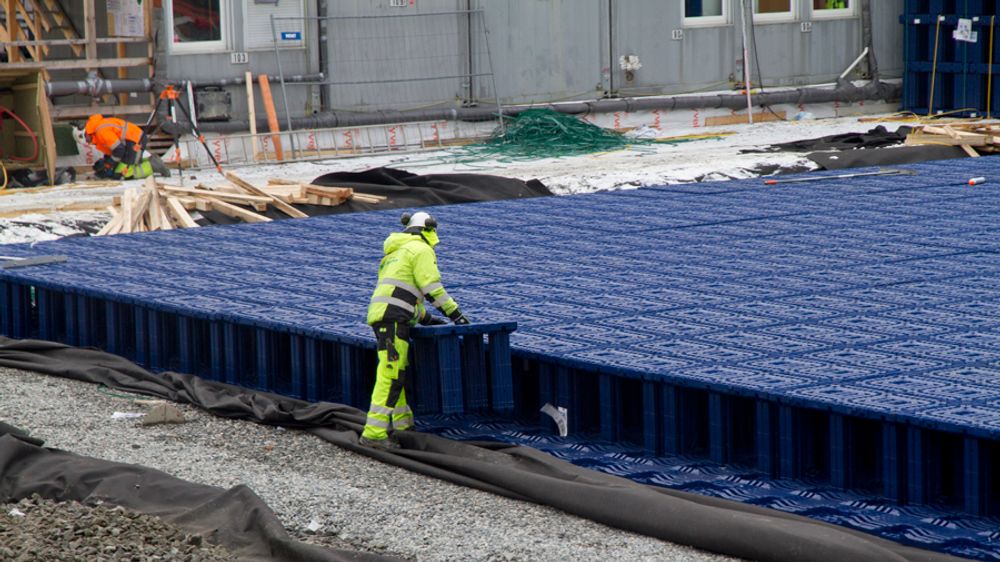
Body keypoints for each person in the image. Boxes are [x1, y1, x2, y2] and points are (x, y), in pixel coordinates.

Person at [361, 211, 470, 450]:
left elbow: (402, 293)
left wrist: (427, 319)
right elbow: (432, 288)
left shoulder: (395, 253)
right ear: (428, 230)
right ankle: (373, 434)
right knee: (390, 375)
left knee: (397, 372)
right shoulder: (421, 250)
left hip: (384, 317)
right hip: (393, 320)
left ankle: (403, 427)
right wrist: (456, 315)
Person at [83, 114, 171, 180]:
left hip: (135, 142)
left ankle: (153, 165)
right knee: (119, 171)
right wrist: (107, 162)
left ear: (89, 133)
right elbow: (113, 150)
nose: (89, 142)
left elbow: (119, 150)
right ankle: (152, 160)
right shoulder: (99, 128)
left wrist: (108, 165)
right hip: (130, 142)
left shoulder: (101, 131)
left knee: (124, 174)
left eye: (87, 139)